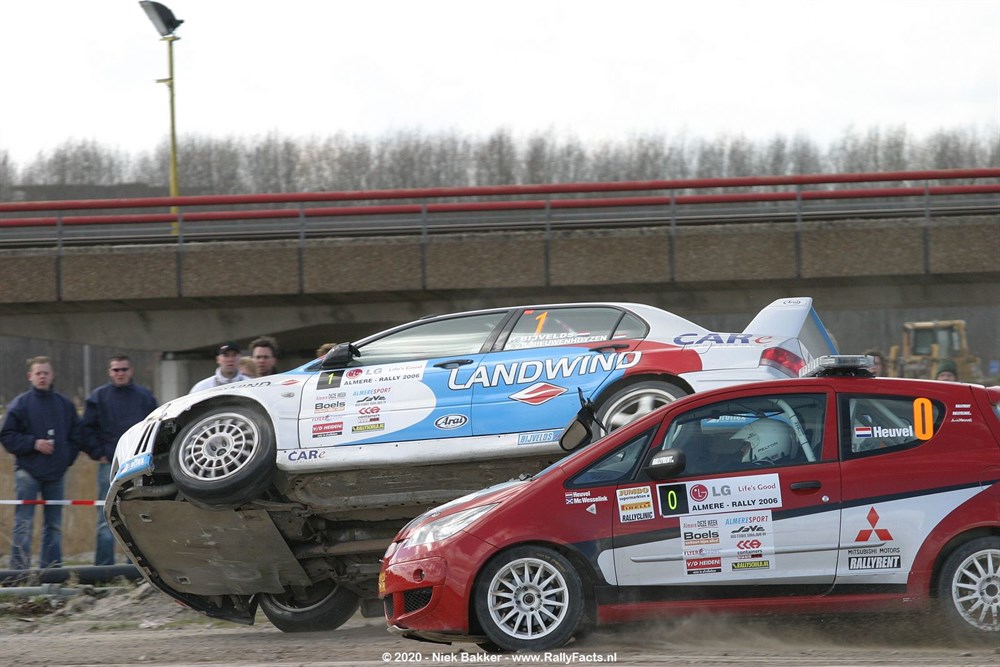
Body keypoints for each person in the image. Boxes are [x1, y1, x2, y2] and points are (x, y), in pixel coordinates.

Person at [0, 356, 84, 570]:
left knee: (54, 526)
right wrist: (33, 443)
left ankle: (52, 570)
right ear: (30, 376)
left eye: (46, 372)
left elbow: (77, 436)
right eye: (38, 373)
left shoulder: (65, 405)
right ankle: (19, 572)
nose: (42, 377)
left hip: (56, 474)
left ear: (52, 375)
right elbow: (7, 435)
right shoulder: (20, 404)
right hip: (27, 473)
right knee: (23, 524)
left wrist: (66, 459)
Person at [80, 354, 158, 566]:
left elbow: (155, 428)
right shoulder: (97, 397)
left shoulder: (145, 397)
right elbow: (85, 430)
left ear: (131, 371)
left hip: (138, 465)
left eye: (124, 369)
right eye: (116, 370)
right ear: (110, 372)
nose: (120, 373)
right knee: (106, 517)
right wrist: (99, 452)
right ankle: (103, 568)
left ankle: (138, 567)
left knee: (137, 516)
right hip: (109, 464)